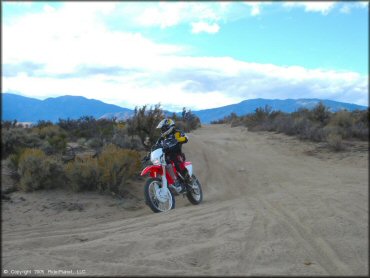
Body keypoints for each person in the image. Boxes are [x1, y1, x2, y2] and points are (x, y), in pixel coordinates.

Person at [156, 118, 192, 192]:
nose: (162, 130)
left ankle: (188, 181)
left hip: (177, 154)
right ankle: (171, 182)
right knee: (161, 164)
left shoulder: (177, 133)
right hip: (166, 156)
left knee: (178, 164)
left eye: (163, 128)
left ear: (169, 127)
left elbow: (185, 138)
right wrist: (149, 154)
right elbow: (156, 146)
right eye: (162, 129)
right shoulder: (162, 138)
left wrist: (179, 140)